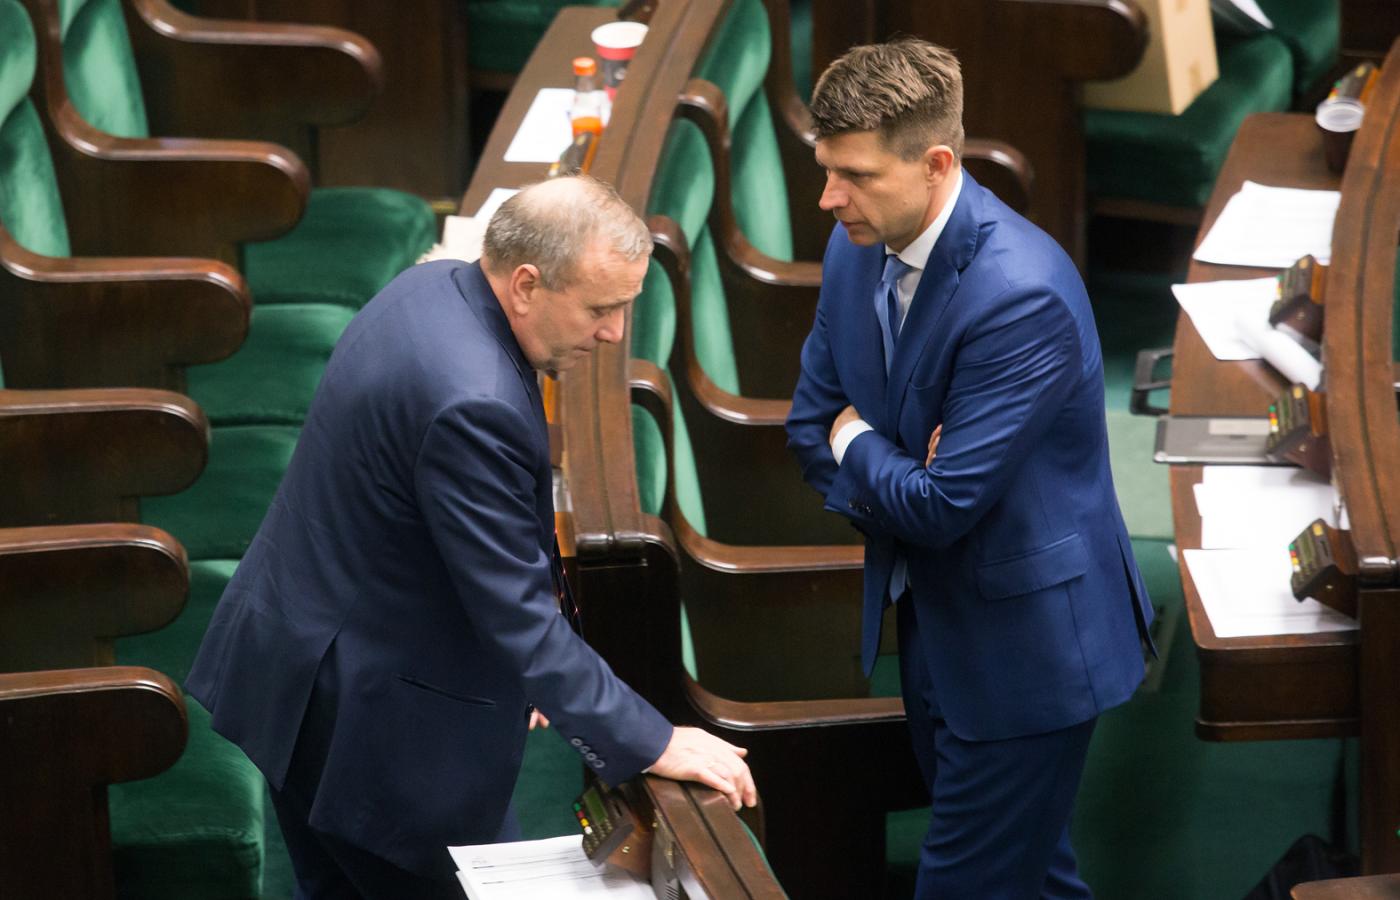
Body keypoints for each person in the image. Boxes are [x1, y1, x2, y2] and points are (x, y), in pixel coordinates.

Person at [187, 176, 756, 899]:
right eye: (600, 309)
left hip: (303, 666)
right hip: (370, 731)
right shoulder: (472, 401)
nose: (615, 333)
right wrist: (655, 740)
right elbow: (517, 617)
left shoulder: (431, 286)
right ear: (526, 284)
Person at [785, 39, 1155, 899]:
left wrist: (860, 441)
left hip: (1027, 653)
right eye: (825, 169)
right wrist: (892, 468)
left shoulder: (1019, 293)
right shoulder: (854, 243)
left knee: (968, 885)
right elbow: (808, 427)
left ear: (937, 164)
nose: (829, 198)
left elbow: (939, 502)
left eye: (855, 175)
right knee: (1030, 877)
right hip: (932, 621)